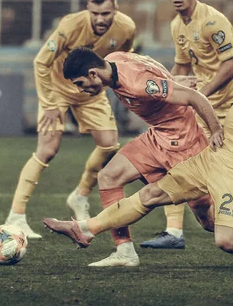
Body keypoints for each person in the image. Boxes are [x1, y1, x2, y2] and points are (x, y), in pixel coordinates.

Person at [44, 29, 233, 268]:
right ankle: (84, 228)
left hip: (232, 167)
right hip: (209, 156)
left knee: (224, 239)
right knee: (150, 194)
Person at [60, 47, 223, 266]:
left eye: (80, 83)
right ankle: (125, 252)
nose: (81, 90)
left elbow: (194, 97)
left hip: (184, 143)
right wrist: (172, 80)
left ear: (92, 74)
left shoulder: (138, 85)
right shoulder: (113, 59)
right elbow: (149, 65)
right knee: (108, 176)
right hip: (158, 136)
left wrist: (216, 131)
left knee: (210, 222)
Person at [3, 0, 135, 239]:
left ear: (115, 9)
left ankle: (80, 195)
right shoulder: (70, 25)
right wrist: (50, 103)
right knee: (47, 149)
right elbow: (41, 61)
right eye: (95, 13)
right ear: (87, 8)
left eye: (106, 13)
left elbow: (122, 57)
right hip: (58, 90)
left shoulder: (126, 27)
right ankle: (16, 216)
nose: (100, 19)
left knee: (109, 145)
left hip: (92, 91)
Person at [140, 0, 233, 250]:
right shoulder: (177, 25)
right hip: (205, 108)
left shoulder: (213, 21)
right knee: (178, 158)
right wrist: (169, 88)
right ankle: (174, 232)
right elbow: (183, 65)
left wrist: (202, 94)